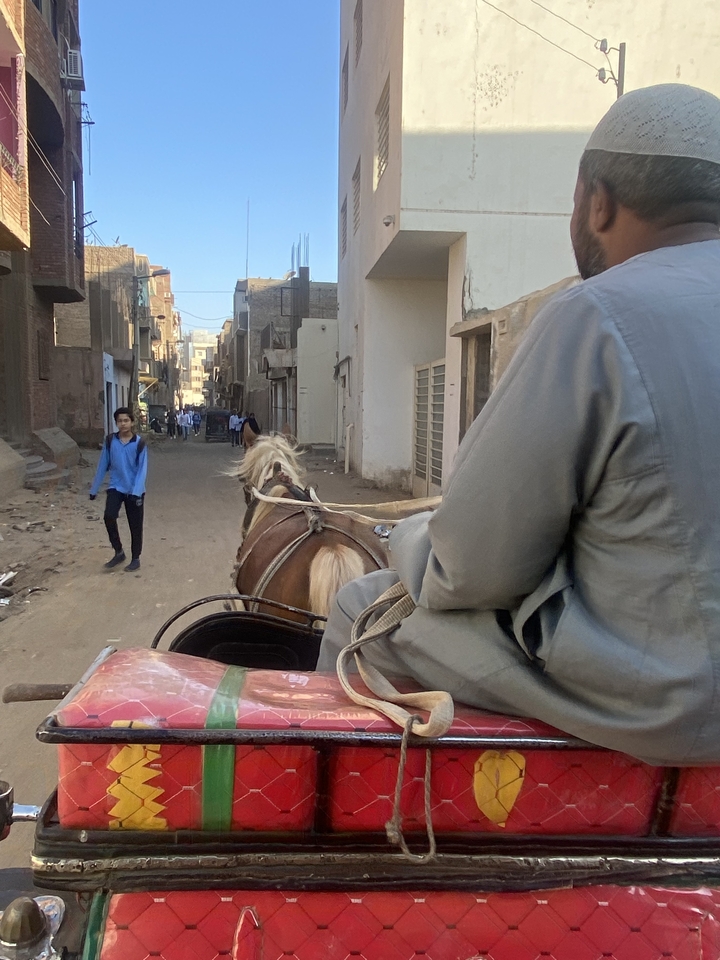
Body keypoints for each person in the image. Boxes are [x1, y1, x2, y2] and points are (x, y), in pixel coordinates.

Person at [318, 84, 720, 767]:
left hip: (671, 703)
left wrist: (407, 535)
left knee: (361, 607)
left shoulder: (593, 318)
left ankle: (345, 816)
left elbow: (467, 572)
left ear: (597, 202)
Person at [89, 407, 148, 573]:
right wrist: (94, 489)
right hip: (116, 486)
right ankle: (119, 551)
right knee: (109, 516)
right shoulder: (110, 441)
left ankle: (135, 558)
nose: (123, 424)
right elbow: (102, 465)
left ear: (132, 422)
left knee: (135, 525)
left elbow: (142, 470)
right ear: (116, 423)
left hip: (134, 490)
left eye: (126, 420)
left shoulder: (139, 443)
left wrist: (136, 492)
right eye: (120, 421)